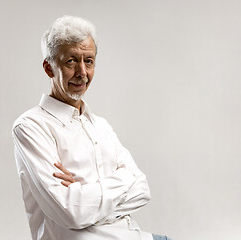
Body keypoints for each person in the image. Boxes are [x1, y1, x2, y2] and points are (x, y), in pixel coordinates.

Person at [12, 15, 172, 240]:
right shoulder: (30, 127)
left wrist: (84, 192)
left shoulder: (101, 126)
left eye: (88, 61)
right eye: (71, 61)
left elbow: (142, 189)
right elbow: (70, 212)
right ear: (49, 68)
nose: (82, 73)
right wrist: (120, 185)